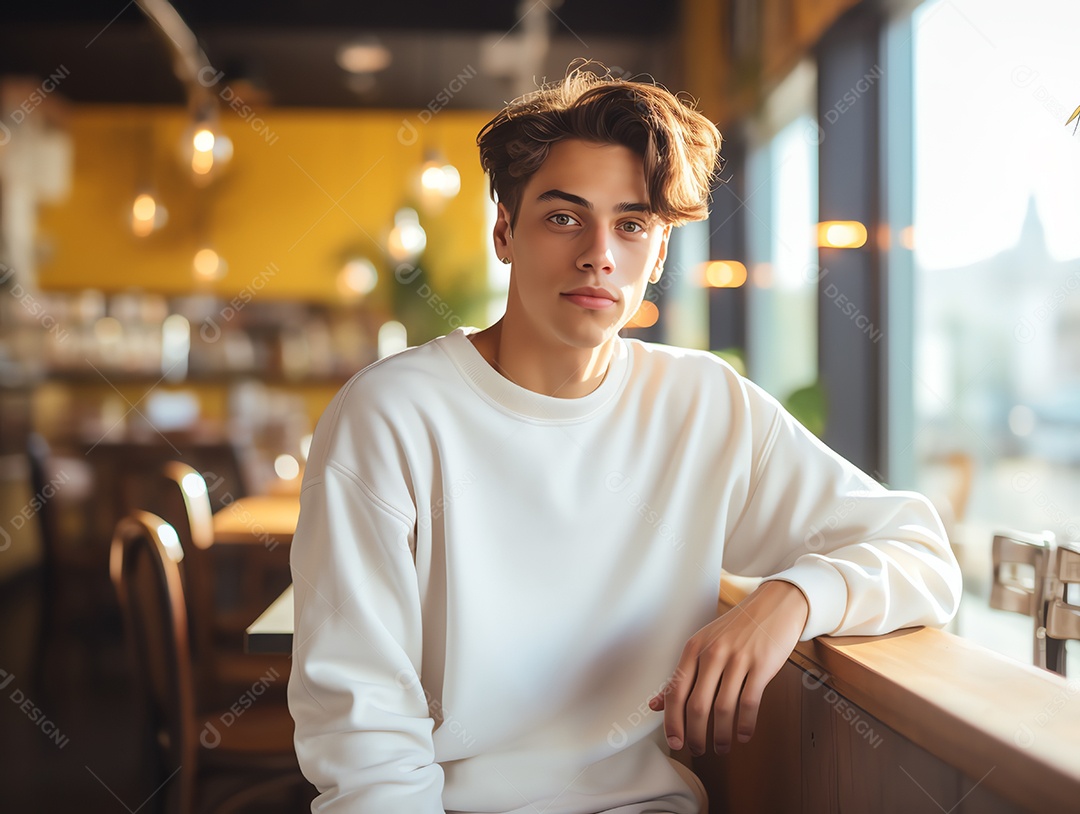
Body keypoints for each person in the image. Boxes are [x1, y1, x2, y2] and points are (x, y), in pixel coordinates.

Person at [287, 62, 962, 814]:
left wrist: (791, 598)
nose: (600, 254)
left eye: (633, 224)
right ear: (505, 232)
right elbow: (362, 731)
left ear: (661, 253)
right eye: (564, 216)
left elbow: (922, 554)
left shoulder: (706, 404)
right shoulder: (389, 415)